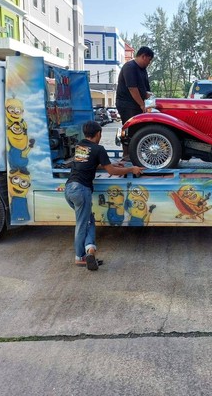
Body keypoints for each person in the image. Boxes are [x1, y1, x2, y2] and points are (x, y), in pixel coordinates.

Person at [65, 121, 144, 270]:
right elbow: (111, 172)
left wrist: (114, 165)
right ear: (99, 134)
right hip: (81, 190)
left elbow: (90, 163)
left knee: (88, 221)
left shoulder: (80, 146)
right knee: (83, 224)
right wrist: (131, 169)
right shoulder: (98, 148)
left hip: (69, 189)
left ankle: (90, 251)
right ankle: (80, 256)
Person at [116, 46, 155, 160]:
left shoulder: (142, 70)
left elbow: (146, 89)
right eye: (149, 60)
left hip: (137, 104)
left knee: (141, 129)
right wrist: (142, 104)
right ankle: (127, 155)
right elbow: (132, 88)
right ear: (143, 56)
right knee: (130, 129)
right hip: (127, 104)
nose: (149, 63)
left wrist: (150, 100)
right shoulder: (130, 67)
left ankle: (138, 152)